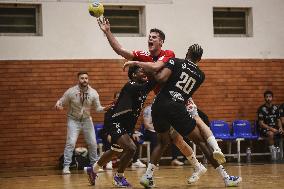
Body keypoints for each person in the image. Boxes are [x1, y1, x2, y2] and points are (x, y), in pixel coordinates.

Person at [97, 17, 224, 183]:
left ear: (161, 42)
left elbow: (157, 69)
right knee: (173, 138)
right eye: (149, 36)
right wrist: (107, 32)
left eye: (154, 37)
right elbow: (120, 50)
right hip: (164, 101)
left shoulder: (168, 54)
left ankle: (214, 150)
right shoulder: (143, 55)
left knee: (196, 127)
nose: (150, 39)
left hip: (178, 98)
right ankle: (197, 166)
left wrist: (136, 63)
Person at [124, 44, 242, 187]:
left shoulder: (176, 61)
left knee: (162, 142)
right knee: (201, 141)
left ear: (187, 53)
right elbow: (185, 92)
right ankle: (226, 178)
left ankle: (147, 176)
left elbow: (161, 79)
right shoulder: (200, 75)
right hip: (176, 106)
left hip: (159, 104)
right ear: (199, 59)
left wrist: (150, 68)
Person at [84, 66, 156, 187]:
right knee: (132, 148)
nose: (144, 73)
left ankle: (93, 170)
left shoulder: (141, 86)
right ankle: (119, 177)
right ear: (133, 75)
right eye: (141, 71)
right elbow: (150, 85)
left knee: (115, 150)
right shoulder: (131, 85)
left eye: (144, 71)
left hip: (127, 125)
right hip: (116, 121)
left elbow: (150, 85)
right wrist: (155, 70)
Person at [55, 71, 106, 174]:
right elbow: (61, 101)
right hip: (73, 120)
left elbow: (98, 108)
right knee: (71, 143)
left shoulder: (93, 93)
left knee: (92, 143)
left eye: (86, 78)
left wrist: (107, 108)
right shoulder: (71, 91)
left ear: (88, 79)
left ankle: (94, 166)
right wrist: (58, 104)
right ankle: (66, 166)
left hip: (87, 120)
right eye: (82, 78)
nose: (84, 80)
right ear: (78, 80)